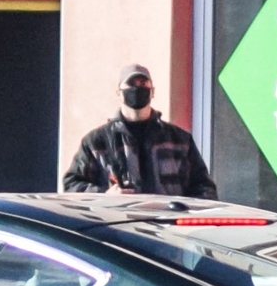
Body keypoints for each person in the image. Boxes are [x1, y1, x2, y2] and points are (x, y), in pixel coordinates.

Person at [62, 64, 215, 198]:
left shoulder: (179, 140)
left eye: (143, 83)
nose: (137, 88)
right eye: (131, 84)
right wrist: (105, 196)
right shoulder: (97, 142)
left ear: (152, 91)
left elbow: (204, 187)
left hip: (168, 226)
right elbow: (72, 185)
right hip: (119, 226)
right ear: (119, 93)